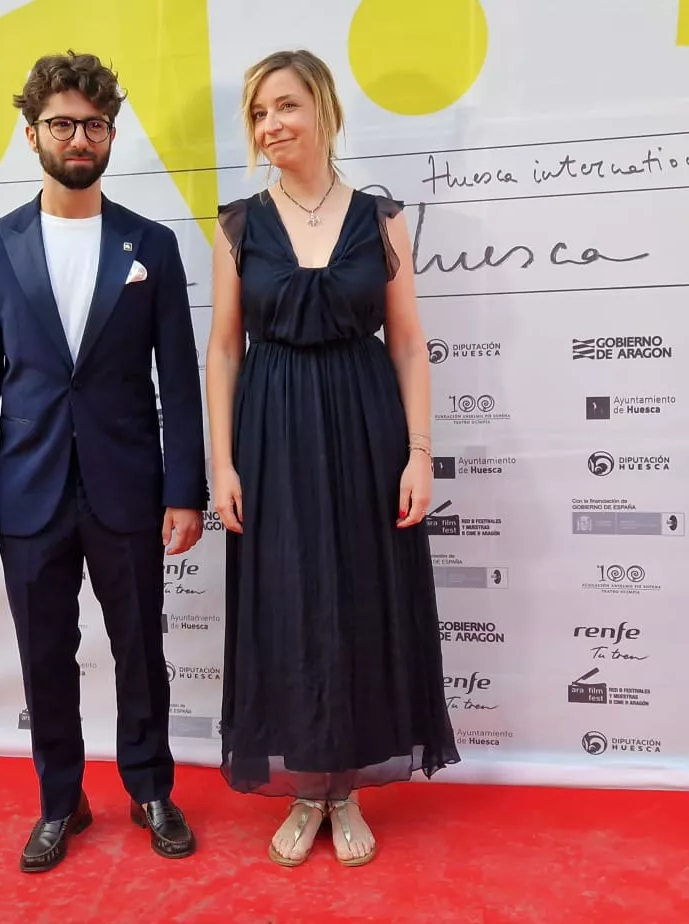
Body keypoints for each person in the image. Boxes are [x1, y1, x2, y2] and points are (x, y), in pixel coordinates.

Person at [0, 50, 207, 874]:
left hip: (128, 487)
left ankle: (150, 789)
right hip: (27, 491)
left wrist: (185, 489)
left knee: (141, 650)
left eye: (93, 124)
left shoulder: (151, 244)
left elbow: (179, 380)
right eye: (61, 123)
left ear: (111, 135)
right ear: (32, 135)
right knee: (44, 656)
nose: (78, 138)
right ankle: (61, 800)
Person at [206, 49, 460, 868]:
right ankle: (306, 789)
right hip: (272, 434)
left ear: (322, 107)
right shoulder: (238, 225)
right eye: (257, 114)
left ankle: (343, 790)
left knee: (360, 601)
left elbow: (409, 344)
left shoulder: (381, 219)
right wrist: (222, 464)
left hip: (364, 428)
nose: (270, 125)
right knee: (287, 604)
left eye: (284, 106)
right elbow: (224, 350)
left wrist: (420, 453)